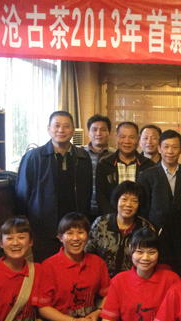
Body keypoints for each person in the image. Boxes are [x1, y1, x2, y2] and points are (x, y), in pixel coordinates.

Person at [37, 213, 111, 321]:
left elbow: (108, 295)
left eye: (80, 232)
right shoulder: (49, 266)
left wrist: (97, 313)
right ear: (60, 237)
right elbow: (43, 308)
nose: (76, 238)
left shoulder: (97, 263)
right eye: (69, 233)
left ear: (88, 236)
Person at [15, 110, 92, 261]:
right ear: (48, 129)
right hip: (44, 229)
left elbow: (87, 191)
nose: (61, 130)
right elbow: (22, 193)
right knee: (46, 268)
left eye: (66, 126)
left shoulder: (83, 157)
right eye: (56, 126)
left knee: (73, 266)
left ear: (73, 130)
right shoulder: (34, 157)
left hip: (74, 229)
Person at [86, 181, 155, 278]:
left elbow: (150, 259)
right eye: (124, 199)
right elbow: (88, 253)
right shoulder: (101, 223)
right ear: (117, 200)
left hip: (132, 282)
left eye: (134, 201)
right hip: (101, 280)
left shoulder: (144, 227)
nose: (128, 204)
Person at [137, 129, 181, 230]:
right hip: (155, 231)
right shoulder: (147, 176)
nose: (170, 151)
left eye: (174, 147)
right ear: (159, 149)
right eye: (166, 147)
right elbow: (143, 208)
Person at [95, 121, 154, 215]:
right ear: (116, 137)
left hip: (140, 219)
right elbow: (101, 196)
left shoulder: (148, 165)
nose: (127, 141)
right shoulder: (104, 164)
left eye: (131, 137)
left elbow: (150, 197)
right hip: (112, 218)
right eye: (122, 137)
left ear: (138, 139)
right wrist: (113, 218)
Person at [85, 114, 116, 223]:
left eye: (103, 130)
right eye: (94, 129)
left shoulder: (116, 155)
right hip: (84, 210)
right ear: (88, 132)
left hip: (109, 211)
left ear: (109, 133)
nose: (98, 133)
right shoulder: (79, 154)